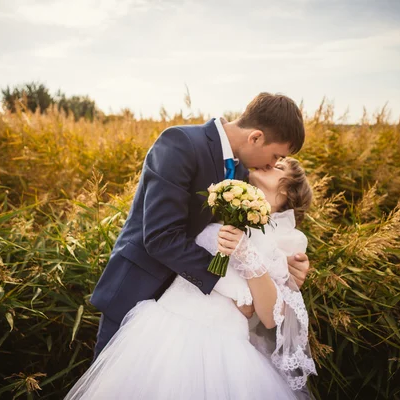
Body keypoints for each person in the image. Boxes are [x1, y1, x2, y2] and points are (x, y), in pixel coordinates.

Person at [65, 157, 317, 399]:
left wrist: (246, 254)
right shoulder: (225, 204)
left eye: (279, 166)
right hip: (164, 326)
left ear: (289, 193)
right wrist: (230, 289)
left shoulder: (285, 239)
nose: (269, 164)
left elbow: (271, 317)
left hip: (222, 343)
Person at [89, 92, 311, 361]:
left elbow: (247, 237)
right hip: (137, 291)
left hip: (196, 320)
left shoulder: (246, 174)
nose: (274, 165)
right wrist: (229, 286)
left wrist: (283, 268)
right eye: (275, 155)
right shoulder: (180, 143)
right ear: (255, 137)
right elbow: (161, 237)